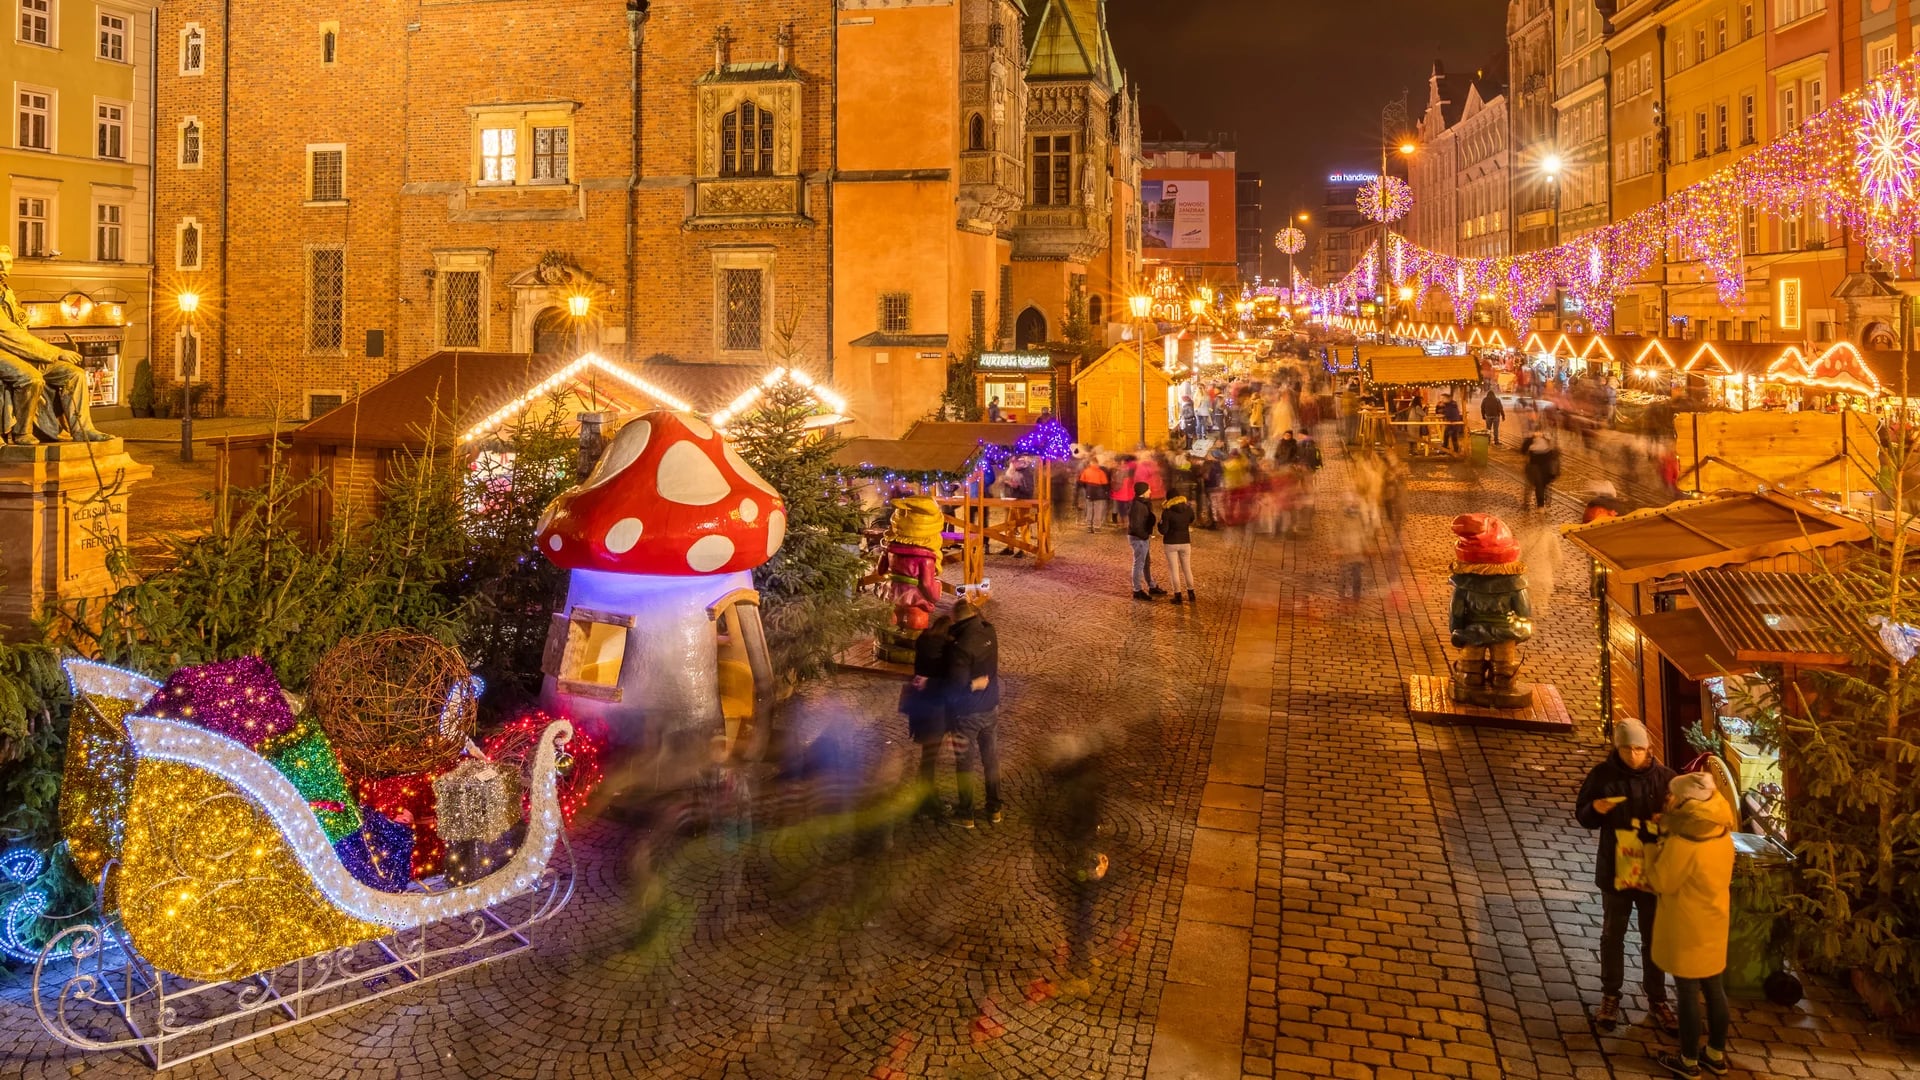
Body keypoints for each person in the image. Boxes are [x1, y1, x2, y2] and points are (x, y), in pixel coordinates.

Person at [1575, 719, 1679, 1036]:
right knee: (1612, 934)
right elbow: (1583, 814)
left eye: (1638, 748)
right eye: (1626, 748)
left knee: (1654, 936)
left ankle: (1657, 998)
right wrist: (1597, 809)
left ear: (1648, 748)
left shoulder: (1666, 779)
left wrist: (1669, 817)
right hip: (1615, 869)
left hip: (1651, 870)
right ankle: (1610, 995)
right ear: (1617, 748)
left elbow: (1682, 820)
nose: (1633, 755)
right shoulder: (1602, 776)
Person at [1648, 772, 1737, 1078]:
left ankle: (1688, 1061)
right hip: (1714, 920)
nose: (1669, 799)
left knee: (1686, 993)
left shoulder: (1685, 841)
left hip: (1687, 924)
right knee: (1714, 989)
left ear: (1687, 802)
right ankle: (1715, 1054)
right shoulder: (1719, 830)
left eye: (1674, 796)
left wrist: (1651, 849)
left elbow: (1662, 880)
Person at [944, 600, 1002, 829]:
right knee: (991, 759)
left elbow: (956, 685)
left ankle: (966, 814)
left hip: (966, 714)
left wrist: (971, 685)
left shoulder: (960, 647)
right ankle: (995, 808)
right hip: (991, 707)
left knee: (965, 764)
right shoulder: (990, 631)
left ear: (956, 619)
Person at [902, 616, 954, 816]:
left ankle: (925, 798)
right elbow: (948, 682)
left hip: (921, 710)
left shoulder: (923, 642)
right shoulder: (946, 652)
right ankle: (926, 801)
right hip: (936, 714)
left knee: (927, 759)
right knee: (929, 761)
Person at [1127, 481, 1164, 601]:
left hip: (1143, 537)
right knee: (1139, 564)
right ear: (1143, 492)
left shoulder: (1144, 503)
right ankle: (1137, 590)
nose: (1150, 491)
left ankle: (1151, 585)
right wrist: (1144, 536)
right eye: (1148, 489)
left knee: (1146, 562)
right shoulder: (1138, 506)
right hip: (1139, 538)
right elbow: (1136, 526)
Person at [1158, 492, 1196, 604]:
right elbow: (1191, 519)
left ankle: (1178, 595)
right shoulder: (1188, 509)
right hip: (1185, 542)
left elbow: (1163, 530)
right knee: (1187, 568)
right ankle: (1191, 593)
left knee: (1174, 570)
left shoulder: (1167, 512)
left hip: (1171, 543)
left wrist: (1159, 525)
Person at [1521, 428, 1561, 511]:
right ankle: (1539, 504)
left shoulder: (1545, 438)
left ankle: (1537, 504)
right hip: (1539, 466)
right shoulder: (1538, 439)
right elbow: (1523, 449)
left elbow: (1523, 450)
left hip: (1539, 466)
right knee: (1539, 485)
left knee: (1535, 484)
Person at [1077, 456, 1110, 532]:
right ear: (1097, 463)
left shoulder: (1086, 471)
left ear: (1090, 463)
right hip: (1099, 494)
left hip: (1089, 492)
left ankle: (1089, 526)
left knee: (1089, 509)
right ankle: (1096, 527)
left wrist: (1087, 488)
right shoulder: (1101, 472)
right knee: (1098, 510)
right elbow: (1105, 484)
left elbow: (1081, 482)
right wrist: (1106, 492)